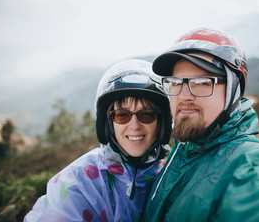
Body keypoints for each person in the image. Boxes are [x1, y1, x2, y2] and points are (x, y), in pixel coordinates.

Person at [142, 28, 259, 221]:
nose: (184, 96)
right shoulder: (185, 146)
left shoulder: (247, 163)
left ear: (233, 91)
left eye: (202, 82)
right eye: (176, 82)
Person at [24, 59, 172, 222]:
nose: (134, 126)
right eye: (122, 115)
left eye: (147, 114)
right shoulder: (80, 181)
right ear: (107, 124)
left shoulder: (169, 177)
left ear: (161, 123)